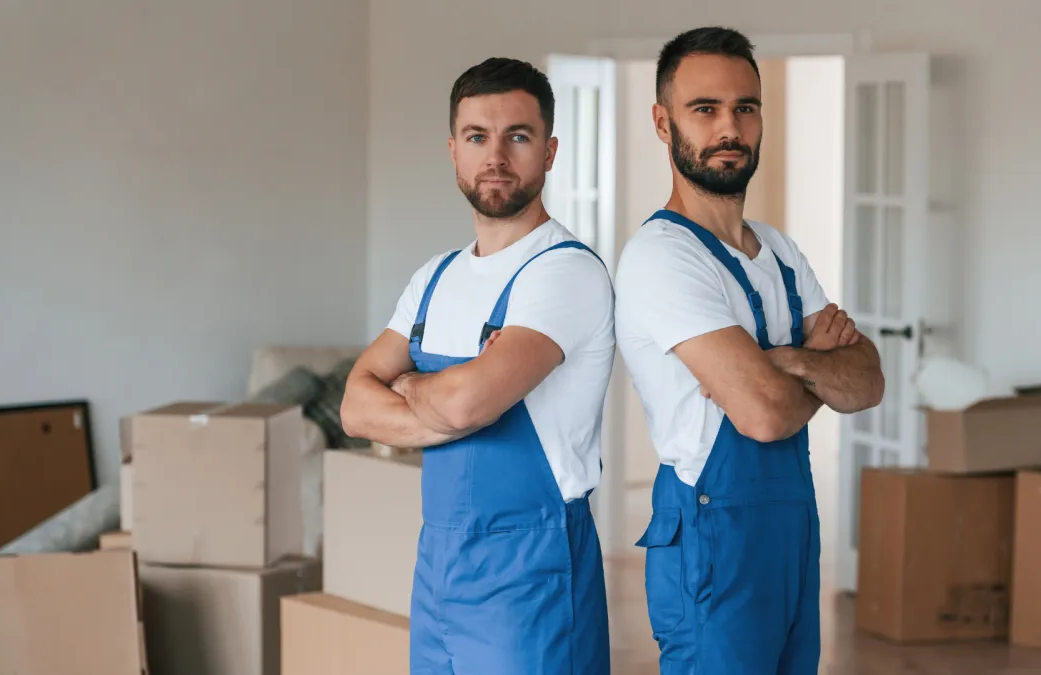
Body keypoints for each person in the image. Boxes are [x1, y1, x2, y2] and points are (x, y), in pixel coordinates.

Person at [614, 27, 886, 675]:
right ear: (662, 122)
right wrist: (813, 367)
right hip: (713, 543)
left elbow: (868, 380)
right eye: (704, 109)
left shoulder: (780, 252)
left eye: (745, 107)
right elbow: (761, 416)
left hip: (790, 538)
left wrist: (784, 362)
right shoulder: (661, 256)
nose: (728, 127)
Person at [341, 57, 614, 675]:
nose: (496, 156)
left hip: (533, 568)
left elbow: (468, 405)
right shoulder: (432, 280)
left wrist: (410, 385)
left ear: (549, 151)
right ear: (453, 151)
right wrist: (453, 394)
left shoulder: (565, 271)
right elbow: (355, 407)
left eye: (518, 136)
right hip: (438, 560)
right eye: (477, 137)